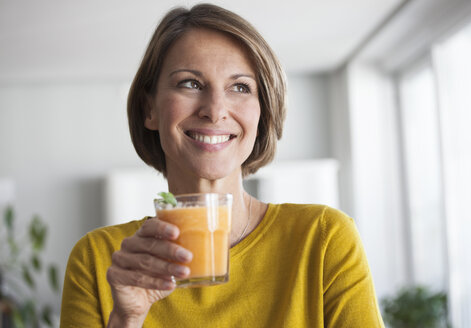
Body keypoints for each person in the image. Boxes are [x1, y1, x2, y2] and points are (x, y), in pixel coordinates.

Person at [60, 3, 384, 327]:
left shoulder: (324, 239)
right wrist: (126, 319)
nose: (215, 111)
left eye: (240, 87)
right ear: (150, 109)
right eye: (190, 83)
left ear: (263, 112)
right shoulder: (97, 259)